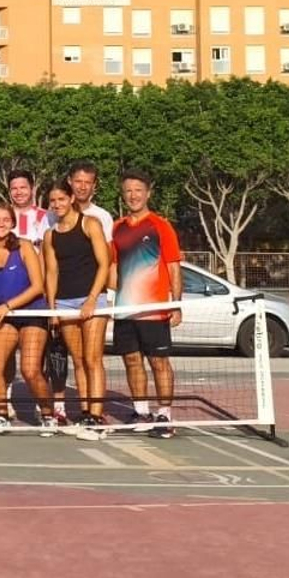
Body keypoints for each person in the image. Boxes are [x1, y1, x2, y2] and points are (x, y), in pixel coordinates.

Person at [110, 170, 183, 439]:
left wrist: (176, 305)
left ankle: (165, 415)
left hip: (154, 311)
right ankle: (141, 412)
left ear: (148, 193)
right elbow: (113, 268)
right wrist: (107, 301)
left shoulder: (160, 225)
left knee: (159, 363)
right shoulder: (117, 228)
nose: (133, 195)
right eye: (128, 191)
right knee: (132, 361)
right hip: (124, 311)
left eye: (138, 190)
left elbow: (174, 267)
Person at [0, 202, 56, 434]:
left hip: (32, 313)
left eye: (5, 220)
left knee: (30, 369)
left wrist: (8, 306)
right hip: (4, 317)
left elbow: (38, 286)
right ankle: (2, 415)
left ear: (12, 223)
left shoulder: (24, 246)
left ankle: (48, 414)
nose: (0, 224)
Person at [43, 180, 113, 440]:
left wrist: (92, 299)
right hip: (64, 303)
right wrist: (52, 309)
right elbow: (52, 273)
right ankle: (85, 413)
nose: (57, 204)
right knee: (78, 359)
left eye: (61, 199)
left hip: (93, 300)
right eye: (53, 201)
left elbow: (104, 264)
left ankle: (97, 416)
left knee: (93, 359)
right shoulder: (50, 235)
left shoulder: (90, 223)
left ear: (71, 198)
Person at [69, 160, 114, 243]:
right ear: (69, 181)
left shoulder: (103, 216)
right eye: (78, 181)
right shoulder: (56, 214)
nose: (82, 187)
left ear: (94, 185)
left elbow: (108, 249)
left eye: (87, 182)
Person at [8, 170, 51, 243]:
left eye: (23, 187)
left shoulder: (47, 216)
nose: (19, 192)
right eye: (14, 189)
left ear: (32, 189)